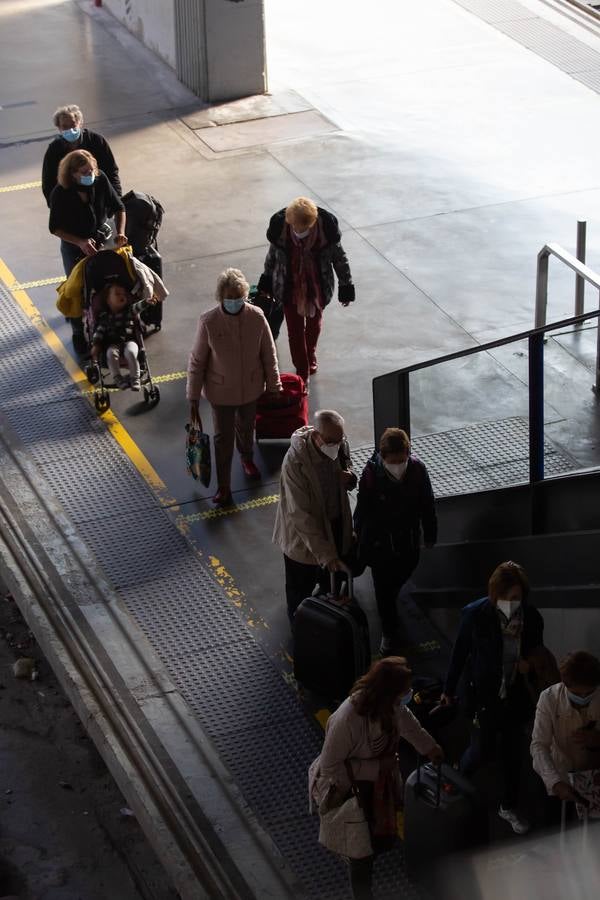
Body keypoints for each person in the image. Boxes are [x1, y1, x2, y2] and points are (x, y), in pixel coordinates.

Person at [309, 656, 443, 900]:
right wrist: (377, 767)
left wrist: (430, 748)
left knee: (372, 840)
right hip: (350, 791)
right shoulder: (348, 719)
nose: (407, 696)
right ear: (389, 692)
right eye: (403, 691)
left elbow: (408, 725)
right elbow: (330, 767)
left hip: (377, 789)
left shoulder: (390, 705)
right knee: (361, 853)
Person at [440, 561, 546, 835]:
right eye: (507, 598)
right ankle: (459, 778)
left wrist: (529, 666)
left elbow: (538, 653)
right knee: (482, 748)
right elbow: (460, 654)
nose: (512, 604)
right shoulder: (475, 615)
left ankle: (508, 805)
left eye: (517, 598)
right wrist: (448, 690)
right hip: (483, 695)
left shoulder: (532, 618)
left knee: (514, 754)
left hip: (515, 696)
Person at [187, 268, 282, 507]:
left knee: (247, 427)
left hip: (250, 389)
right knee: (222, 439)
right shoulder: (208, 322)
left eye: (239, 297)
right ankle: (224, 486)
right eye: (230, 299)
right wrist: (193, 397)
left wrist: (274, 384)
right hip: (221, 394)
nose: (235, 302)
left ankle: (247, 457)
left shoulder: (257, 317)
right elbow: (197, 361)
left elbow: (268, 354)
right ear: (221, 298)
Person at [353, 427, 437, 656]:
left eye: (402, 460)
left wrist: (430, 534)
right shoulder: (371, 474)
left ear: (408, 453)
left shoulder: (418, 471)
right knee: (384, 591)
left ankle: (390, 610)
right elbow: (363, 508)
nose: (398, 466)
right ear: (382, 457)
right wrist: (357, 533)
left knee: (401, 576)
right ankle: (389, 633)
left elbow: (427, 504)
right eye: (393, 461)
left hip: (408, 541)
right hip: (380, 544)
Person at [257, 197, 354, 384]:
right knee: (294, 330)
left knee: (314, 325)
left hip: (317, 288)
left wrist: (346, 286)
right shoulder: (281, 231)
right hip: (288, 288)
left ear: (312, 222)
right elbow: (272, 258)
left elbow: (340, 260)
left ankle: (310, 354)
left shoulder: (327, 233)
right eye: (293, 226)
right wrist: (266, 283)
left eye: (302, 228)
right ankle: (302, 369)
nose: (297, 231)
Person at [273, 409, 357, 624]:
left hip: (334, 527)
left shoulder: (337, 444)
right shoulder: (295, 463)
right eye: (330, 441)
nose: (336, 446)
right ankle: (299, 629)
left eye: (339, 440)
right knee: (299, 592)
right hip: (303, 542)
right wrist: (326, 555)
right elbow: (301, 516)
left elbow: (346, 464)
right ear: (315, 436)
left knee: (333, 585)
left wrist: (350, 478)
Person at [49, 149, 127, 353]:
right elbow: (55, 227)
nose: (90, 174)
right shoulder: (60, 193)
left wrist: (120, 232)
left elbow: (119, 207)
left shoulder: (100, 182)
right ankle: (78, 333)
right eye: (84, 172)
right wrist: (80, 242)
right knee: (76, 290)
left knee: (108, 283)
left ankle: (109, 327)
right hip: (74, 247)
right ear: (72, 173)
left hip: (102, 238)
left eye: (91, 170)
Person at [531, 651, 600, 818]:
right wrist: (555, 782)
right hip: (559, 773)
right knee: (555, 830)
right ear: (564, 684)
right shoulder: (549, 698)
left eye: (588, 693)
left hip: (594, 777)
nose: (584, 697)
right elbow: (539, 745)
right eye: (577, 694)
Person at [42, 104, 121, 205]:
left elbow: (111, 171)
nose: (70, 130)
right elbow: (48, 182)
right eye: (65, 127)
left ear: (80, 123)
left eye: (73, 125)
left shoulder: (96, 141)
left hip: (98, 200)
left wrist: (116, 199)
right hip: (70, 203)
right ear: (59, 128)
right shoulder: (54, 150)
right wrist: (55, 205)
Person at [90, 284, 155, 391]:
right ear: (108, 300)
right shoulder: (104, 317)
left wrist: (146, 302)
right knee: (110, 353)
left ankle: (135, 378)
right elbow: (99, 332)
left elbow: (137, 307)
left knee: (131, 352)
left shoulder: (129, 311)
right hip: (112, 343)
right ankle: (118, 378)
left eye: (123, 294)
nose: (122, 296)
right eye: (117, 294)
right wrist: (96, 345)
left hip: (129, 340)